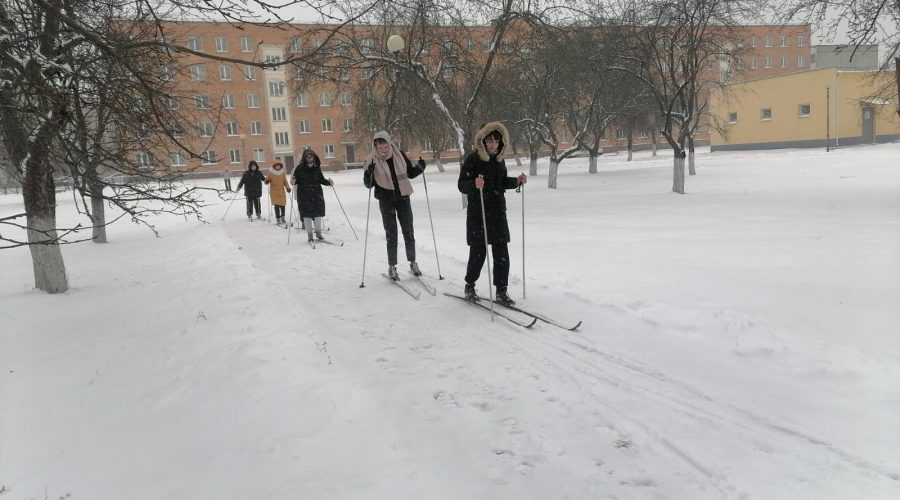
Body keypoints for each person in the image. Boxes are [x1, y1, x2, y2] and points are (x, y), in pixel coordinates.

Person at [457, 122, 527, 306]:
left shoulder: (499, 160)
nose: (492, 145)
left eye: (496, 141)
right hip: (478, 214)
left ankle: (501, 291)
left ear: (501, 142)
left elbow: (501, 182)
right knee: (478, 253)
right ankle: (469, 286)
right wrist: (474, 184)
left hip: (497, 213)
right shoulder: (473, 160)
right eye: (489, 141)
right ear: (483, 141)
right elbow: (461, 184)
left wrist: (516, 182)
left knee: (501, 252)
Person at [363, 130, 426, 281]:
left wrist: (421, 167)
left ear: (389, 144)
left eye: (385, 147)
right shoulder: (371, 160)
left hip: (403, 197)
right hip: (386, 200)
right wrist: (368, 174)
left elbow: (410, 173)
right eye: (380, 148)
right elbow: (368, 185)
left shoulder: (400, 155)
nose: (383, 150)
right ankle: (392, 266)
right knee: (391, 235)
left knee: (408, 232)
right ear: (376, 147)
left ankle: (413, 262)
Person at [291, 149, 332, 242]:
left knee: (318, 214)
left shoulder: (317, 168)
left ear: (314, 157)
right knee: (306, 215)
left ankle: (318, 232)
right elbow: (295, 180)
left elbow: (321, 179)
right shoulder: (299, 168)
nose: (309, 158)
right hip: (304, 195)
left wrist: (328, 182)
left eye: (311, 156)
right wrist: (292, 181)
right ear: (305, 158)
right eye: (308, 157)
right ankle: (309, 234)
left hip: (316, 194)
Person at [264, 161, 291, 226]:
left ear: (280, 166)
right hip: (274, 192)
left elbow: (285, 181)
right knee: (276, 206)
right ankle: (278, 219)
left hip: (281, 191)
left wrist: (287, 187)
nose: (277, 166)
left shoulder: (282, 172)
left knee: (282, 205)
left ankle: (283, 218)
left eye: (279, 165)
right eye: (276, 165)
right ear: (274, 166)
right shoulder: (271, 173)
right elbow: (266, 181)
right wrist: (267, 181)